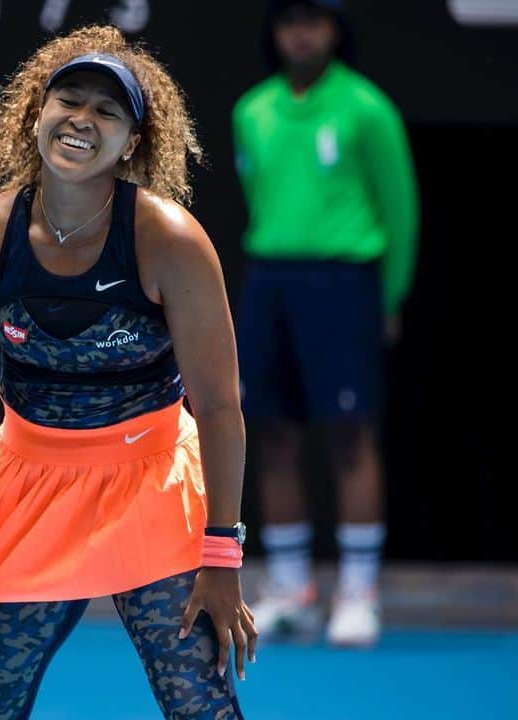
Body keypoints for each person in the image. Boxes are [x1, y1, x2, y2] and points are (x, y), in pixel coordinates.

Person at [0, 25, 255, 720]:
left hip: (155, 487)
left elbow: (221, 405)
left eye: (107, 112)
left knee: (200, 703)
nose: (82, 120)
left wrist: (222, 553)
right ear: (36, 115)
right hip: (26, 490)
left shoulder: (170, 240)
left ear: (132, 141)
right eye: (68, 100)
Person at [231, 0, 419, 647]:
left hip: (345, 282)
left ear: (336, 29)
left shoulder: (367, 109)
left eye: (313, 20)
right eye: (288, 21)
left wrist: (387, 298)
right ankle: (292, 589)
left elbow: (400, 212)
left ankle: (358, 593)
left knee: (349, 435)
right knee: (273, 435)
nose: (300, 33)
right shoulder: (251, 111)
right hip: (271, 278)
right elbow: (261, 197)